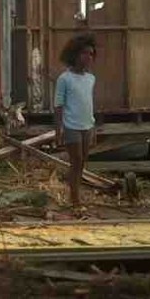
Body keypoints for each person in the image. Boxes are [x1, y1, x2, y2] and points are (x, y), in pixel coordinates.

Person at [54, 33, 97, 207]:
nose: (88, 57)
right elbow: (58, 104)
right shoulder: (64, 79)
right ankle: (75, 199)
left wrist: (93, 127)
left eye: (91, 54)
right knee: (76, 159)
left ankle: (75, 191)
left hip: (87, 125)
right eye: (85, 53)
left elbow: (89, 103)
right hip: (71, 125)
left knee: (82, 162)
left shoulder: (91, 79)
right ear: (75, 55)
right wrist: (59, 129)